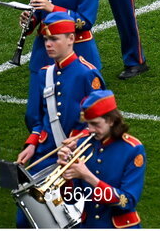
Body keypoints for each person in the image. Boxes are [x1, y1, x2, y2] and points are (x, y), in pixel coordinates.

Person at [15, 13, 104, 228]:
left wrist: (76, 142)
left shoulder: (87, 75)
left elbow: (101, 123)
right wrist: (31, 143)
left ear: (71, 39)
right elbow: (38, 120)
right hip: (45, 154)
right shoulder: (44, 73)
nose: (48, 44)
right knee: (26, 217)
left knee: (71, 219)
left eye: (54, 39)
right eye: (46, 39)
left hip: (76, 158)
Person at [21, 0, 102, 131]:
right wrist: (29, 21)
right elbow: (36, 10)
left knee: (75, 117)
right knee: (33, 115)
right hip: (43, 49)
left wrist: (52, 9)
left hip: (77, 51)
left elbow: (85, 21)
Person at [58, 90, 145, 228]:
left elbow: (127, 201)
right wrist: (66, 175)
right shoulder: (83, 145)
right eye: (88, 124)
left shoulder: (132, 150)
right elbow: (72, 199)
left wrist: (87, 176)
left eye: (95, 124)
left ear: (111, 120)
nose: (90, 130)